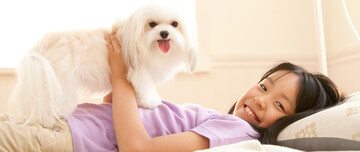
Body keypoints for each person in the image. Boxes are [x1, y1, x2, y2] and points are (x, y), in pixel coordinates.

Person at [0, 34, 344, 152]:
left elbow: (138, 147)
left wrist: (121, 75)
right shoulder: (218, 120)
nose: (260, 99)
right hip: (67, 125)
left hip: (69, 138)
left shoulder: (239, 133)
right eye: (265, 86)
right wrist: (128, 80)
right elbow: (122, 119)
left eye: (279, 104)